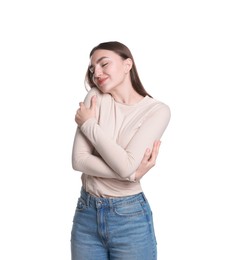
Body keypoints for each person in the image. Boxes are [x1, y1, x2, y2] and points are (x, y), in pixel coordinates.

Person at [71, 41, 171, 260]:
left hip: (129, 217)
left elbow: (126, 164)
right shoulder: (95, 98)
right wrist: (131, 174)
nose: (96, 72)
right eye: (92, 68)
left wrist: (89, 125)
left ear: (128, 65)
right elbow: (78, 160)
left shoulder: (157, 111)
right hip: (86, 213)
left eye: (103, 64)